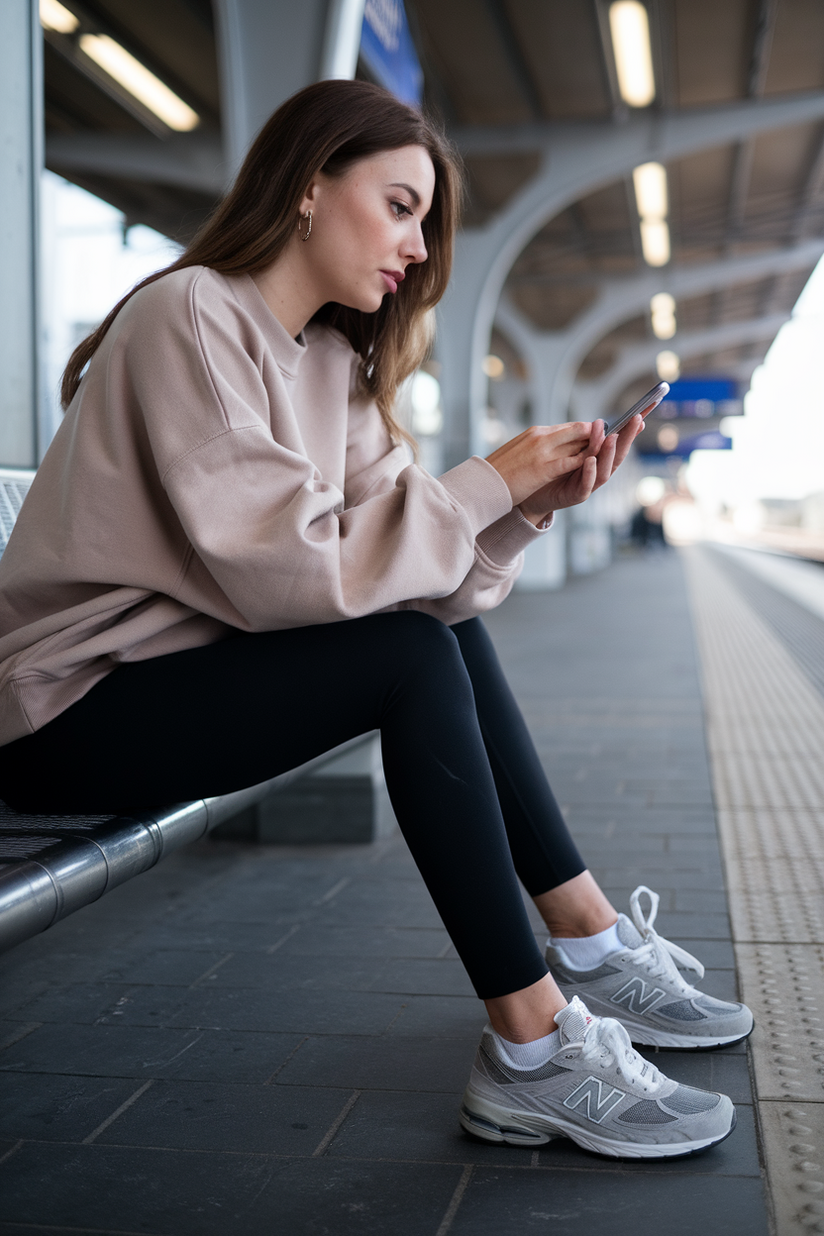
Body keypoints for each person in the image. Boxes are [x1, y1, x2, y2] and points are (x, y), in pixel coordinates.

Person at [0, 80, 751, 1160]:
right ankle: (534, 1047)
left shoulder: (332, 366)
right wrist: (481, 485)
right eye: (398, 206)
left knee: (433, 637)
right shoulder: (191, 315)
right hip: (70, 709)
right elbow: (286, 571)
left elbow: (419, 582)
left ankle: (583, 942)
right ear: (308, 186)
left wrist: (525, 503)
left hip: (182, 686)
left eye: (425, 223)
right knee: (405, 656)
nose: (414, 245)